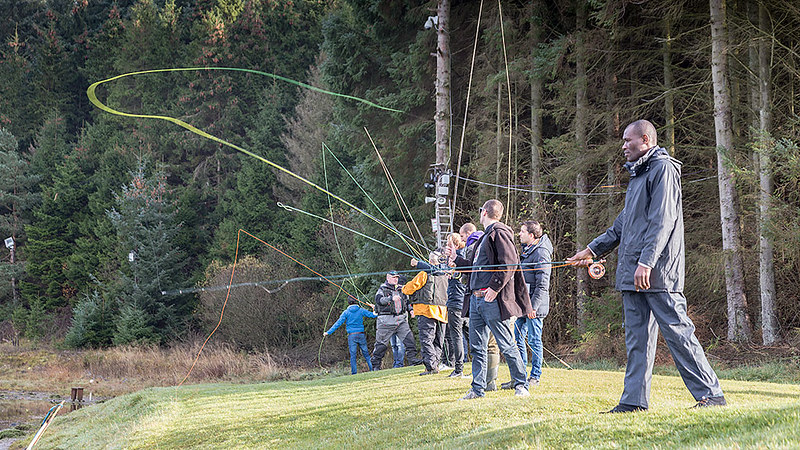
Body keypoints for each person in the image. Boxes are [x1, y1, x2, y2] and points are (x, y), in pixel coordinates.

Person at [567, 119, 725, 412]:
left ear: (646, 140)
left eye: (628, 141)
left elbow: (662, 221)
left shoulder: (663, 169)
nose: (623, 146)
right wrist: (590, 250)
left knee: (678, 334)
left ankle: (711, 395)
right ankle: (633, 402)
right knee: (637, 342)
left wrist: (646, 262)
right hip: (632, 274)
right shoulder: (638, 175)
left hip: (658, 273)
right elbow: (622, 226)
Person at [452, 199, 533, 399]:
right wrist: (456, 259)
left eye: (481, 211)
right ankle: (477, 389)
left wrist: (495, 288)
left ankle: (521, 384)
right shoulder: (484, 238)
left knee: (506, 344)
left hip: (492, 301)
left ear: (485, 212)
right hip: (476, 301)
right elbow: (474, 267)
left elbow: (509, 263)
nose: (479, 214)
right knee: (477, 347)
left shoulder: (500, 232)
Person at [502, 220, 552, 389]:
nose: (519, 234)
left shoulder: (542, 253)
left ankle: (535, 376)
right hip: (524, 304)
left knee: (534, 340)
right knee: (517, 337)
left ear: (531, 235)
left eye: (522, 232)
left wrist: (533, 307)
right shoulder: (527, 251)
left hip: (534, 307)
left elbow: (543, 284)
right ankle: (520, 376)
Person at [403, 251, 449, 375]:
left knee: (427, 339)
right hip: (442, 312)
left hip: (427, 310)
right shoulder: (445, 274)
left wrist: (402, 287)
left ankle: (431, 367)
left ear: (430, 262)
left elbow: (409, 289)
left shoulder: (424, 274)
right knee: (439, 340)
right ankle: (435, 364)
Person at [371, 271, 422, 370]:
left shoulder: (401, 289)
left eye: (397, 277)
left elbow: (407, 302)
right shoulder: (382, 289)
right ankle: (376, 366)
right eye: (393, 277)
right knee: (381, 346)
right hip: (386, 322)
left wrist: (411, 311)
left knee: (410, 341)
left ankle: (413, 360)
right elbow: (379, 300)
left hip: (401, 321)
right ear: (388, 278)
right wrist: (390, 298)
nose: (396, 279)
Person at [324, 295, 377, 374]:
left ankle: (354, 373)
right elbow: (373, 315)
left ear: (348, 302)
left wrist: (328, 332)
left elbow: (337, 324)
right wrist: (374, 308)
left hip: (352, 336)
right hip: (361, 334)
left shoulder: (346, 312)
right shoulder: (361, 310)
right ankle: (373, 370)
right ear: (356, 301)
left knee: (353, 356)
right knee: (366, 354)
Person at [444, 233, 468, 378]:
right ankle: (477, 368)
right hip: (465, 304)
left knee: (456, 337)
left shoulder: (457, 260)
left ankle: (459, 369)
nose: (446, 249)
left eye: (448, 246)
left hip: (456, 304)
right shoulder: (464, 259)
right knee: (470, 337)